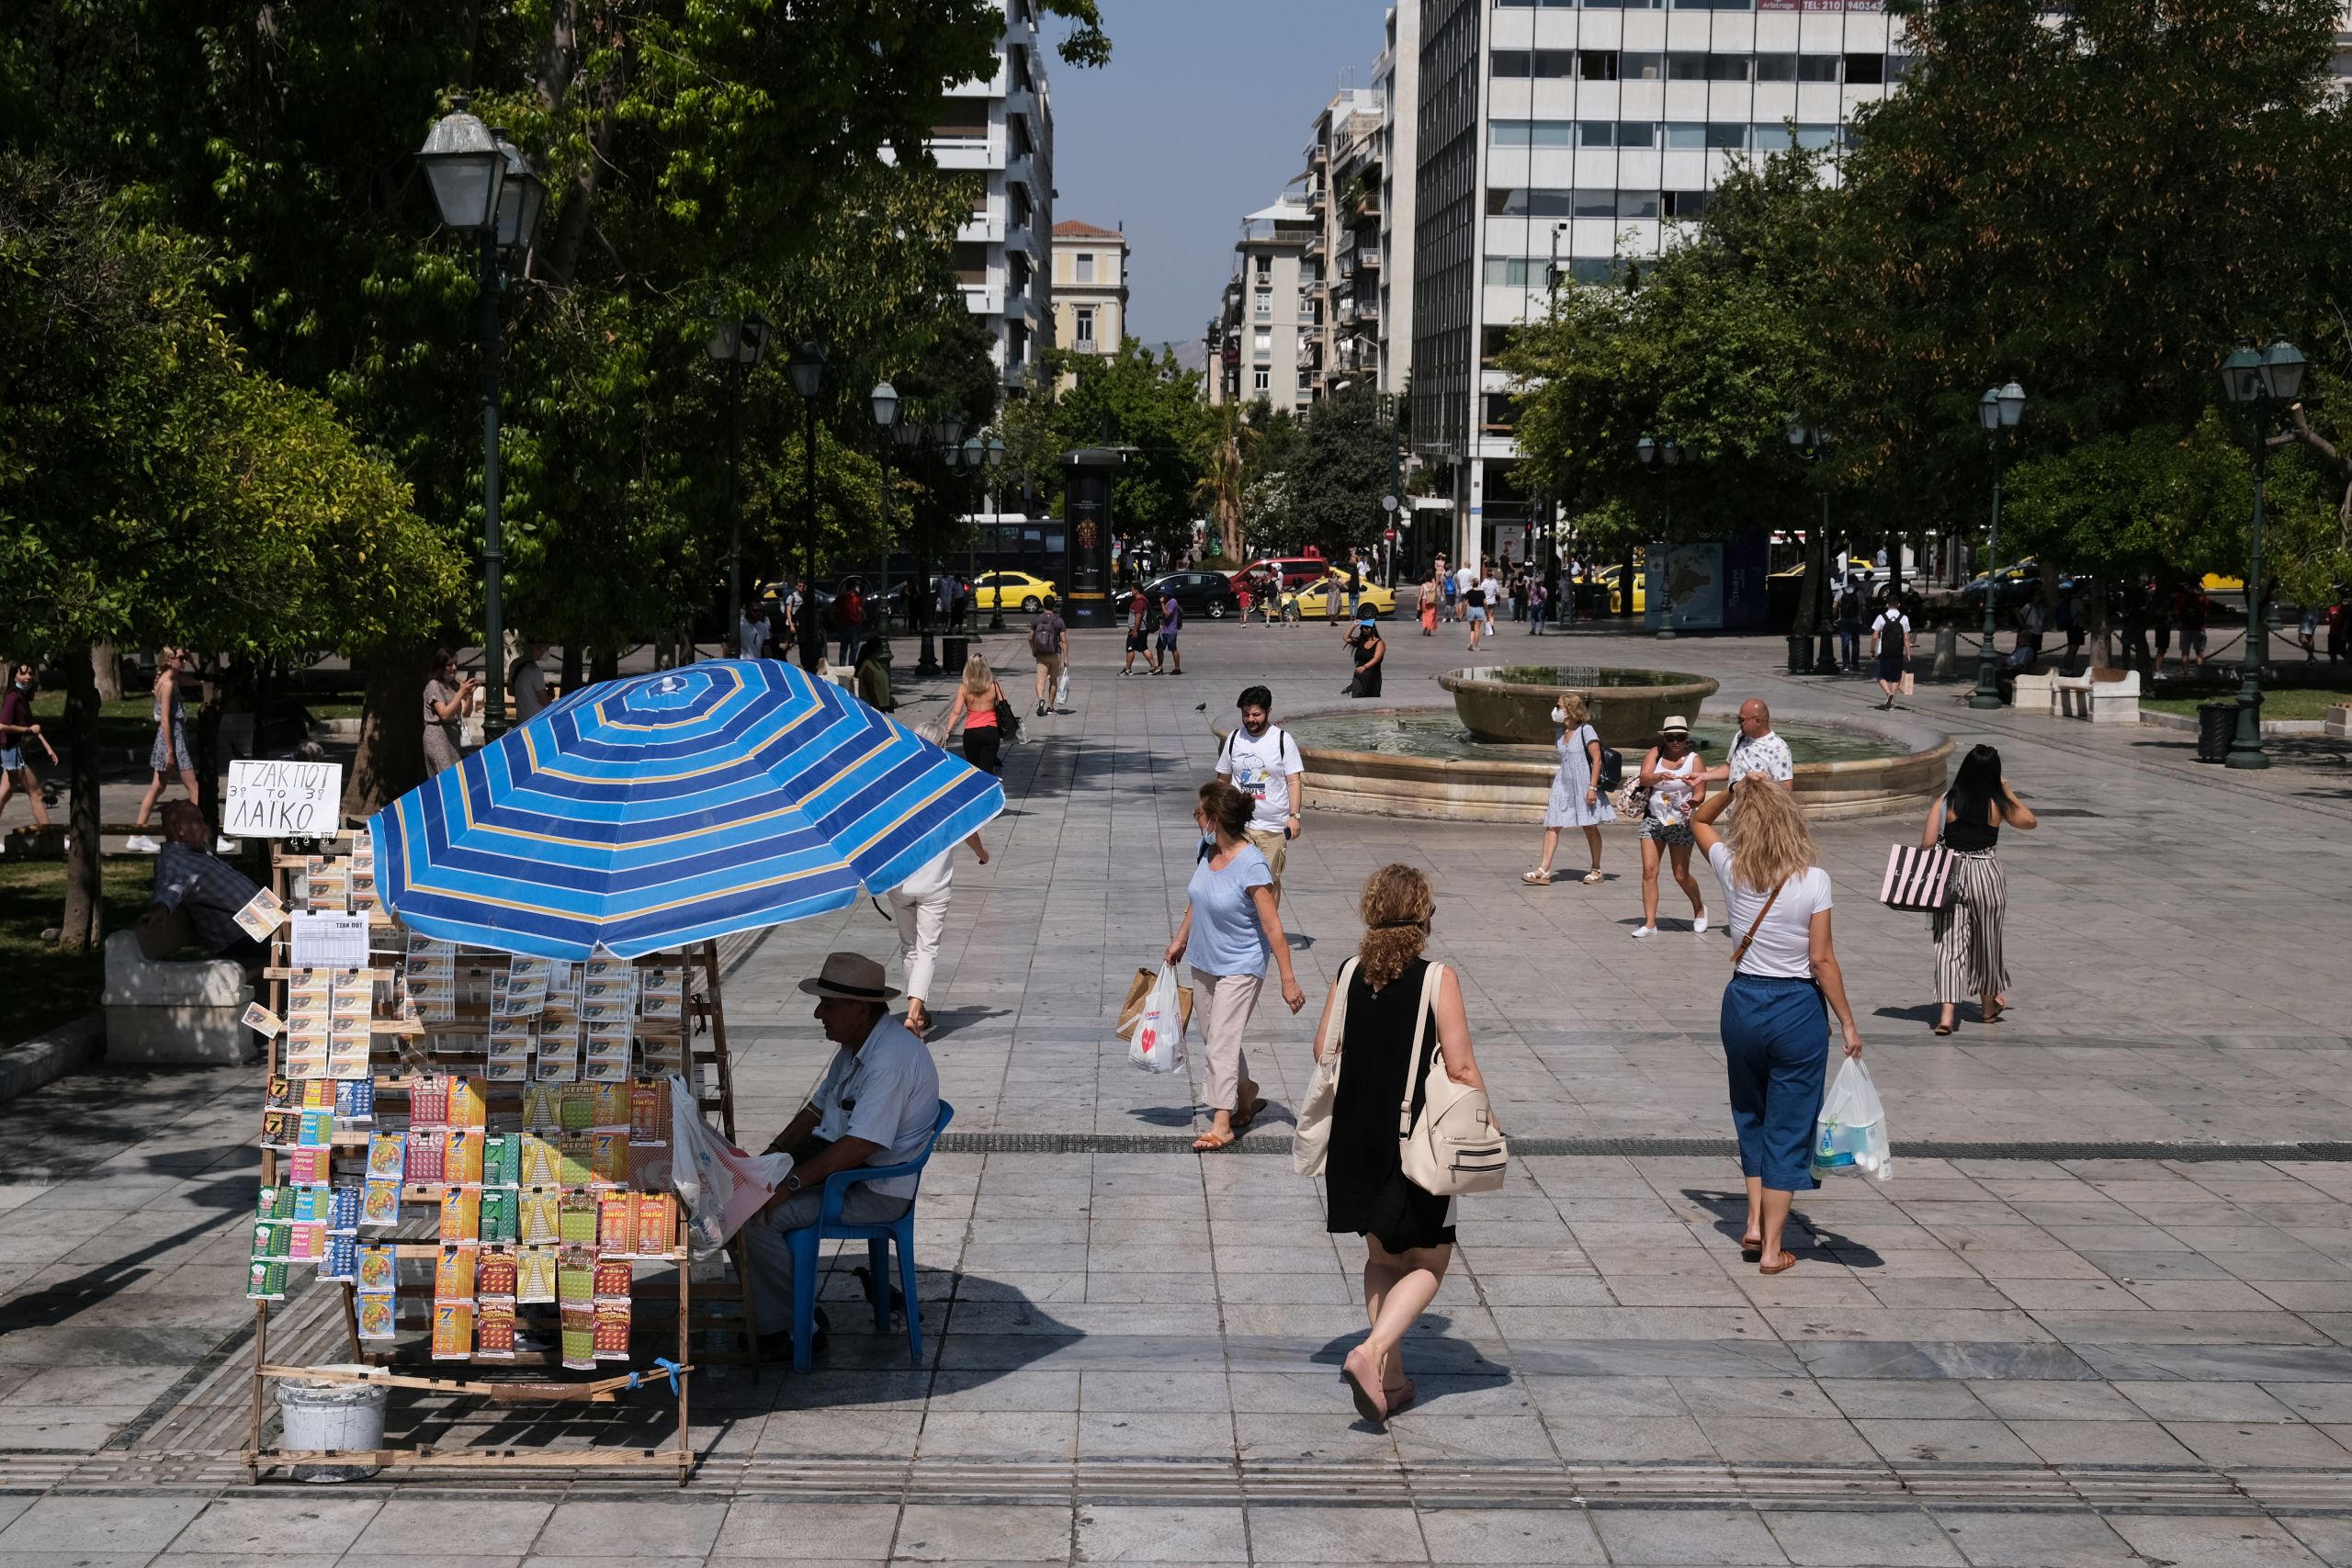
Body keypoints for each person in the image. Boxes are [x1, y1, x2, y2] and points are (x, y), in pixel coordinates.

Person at [1313, 863, 1496, 1426]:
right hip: (1411, 1139)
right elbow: (1461, 1066)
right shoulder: (1438, 978)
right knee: (1429, 1261)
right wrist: (1488, 1120)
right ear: (1424, 917)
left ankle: (1389, 1379)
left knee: (1380, 1257)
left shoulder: (1348, 971)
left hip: (1354, 1135)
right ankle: (1370, 1352)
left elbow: (1323, 1049)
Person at [1689, 778, 1866, 1277]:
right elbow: (1822, 960)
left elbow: (1697, 819)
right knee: (1788, 1127)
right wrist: (1848, 1023)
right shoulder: (1815, 881)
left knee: (1751, 1113)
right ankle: (1772, 1249)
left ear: (1745, 825)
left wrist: (1733, 788)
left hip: (1744, 1003)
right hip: (1797, 1010)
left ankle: (1751, 1223)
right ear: (1792, 822)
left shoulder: (1731, 868)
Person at [744, 952, 942, 1359]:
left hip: (872, 1189)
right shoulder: (857, 1046)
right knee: (743, 1198)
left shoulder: (889, 1061)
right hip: (845, 1171)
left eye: (829, 1005)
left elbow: (861, 1145)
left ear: (860, 1009)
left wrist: (790, 1184)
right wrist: (770, 1156)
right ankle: (788, 1308)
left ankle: (795, 1328)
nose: (819, 1014)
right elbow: (816, 1110)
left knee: (755, 1220)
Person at [1164, 780, 1305, 1153]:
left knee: (1222, 1042)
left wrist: (1288, 980)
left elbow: (1273, 927)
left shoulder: (1252, 864)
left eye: (1199, 813)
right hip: (1204, 960)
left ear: (1215, 819)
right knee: (1215, 1038)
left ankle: (1221, 1124)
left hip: (1242, 963)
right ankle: (1246, 1095)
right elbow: (1198, 898)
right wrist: (1180, 939)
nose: (1196, 818)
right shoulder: (1206, 849)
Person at [1924, 743, 2037, 1035]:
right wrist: (2007, 790)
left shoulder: (1947, 800)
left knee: (1948, 944)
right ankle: (1987, 1008)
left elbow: (1927, 843)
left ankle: (1946, 1015)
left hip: (1951, 875)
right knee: (1988, 942)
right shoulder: (1997, 804)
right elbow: (2030, 822)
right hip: (1986, 874)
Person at [887, 830, 988, 1038]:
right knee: (927, 949)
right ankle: (913, 1015)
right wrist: (982, 854)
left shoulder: (893, 808)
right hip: (934, 884)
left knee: (909, 947)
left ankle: (919, 1012)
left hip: (900, 883)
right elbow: (969, 832)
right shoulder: (943, 808)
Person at [144, 800, 266, 964]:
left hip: (263, 919)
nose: (204, 827)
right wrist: (161, 908)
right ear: (180, 829)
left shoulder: (196, 852)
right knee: (298, 944)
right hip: (243, 934)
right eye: (197, 821)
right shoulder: (174, 861)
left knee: (301, 920)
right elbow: (168, 889)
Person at [1215, 687, 1306, 902]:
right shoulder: (1234, 739)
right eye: (1246, 714)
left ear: (1268, 712)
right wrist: (1217, 812)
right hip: (1239, 826)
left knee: (1268, 883)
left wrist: (1294, 816)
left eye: (1256, 714)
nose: (1251, 720)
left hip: (1272, 828)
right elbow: (1222, 780)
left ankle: (1268, 923)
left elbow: (1294, 781)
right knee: (1237, 882)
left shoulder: (1282, 740)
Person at [1632, 716, 1707, 939]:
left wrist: (1691, 803)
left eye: (1680, 737)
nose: (1675, 742)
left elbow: (1701, 793)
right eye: (1671, 737)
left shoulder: (1694, 760)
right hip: (1654, 819)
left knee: (1681, 875)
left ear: (1686, 738)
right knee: (1649, 871)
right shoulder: (1656, 753)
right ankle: (1650, 923)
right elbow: (1643, 779)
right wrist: (1658, 776)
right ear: (1665, 738)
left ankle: (1699, 908)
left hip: (1681, 822)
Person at [1526, 691, 1612, 886]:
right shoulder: (1560, 732)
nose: (1555, 710)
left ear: (1570, 709)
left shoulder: (1586, 730)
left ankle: (1596, 869)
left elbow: (1597, 759)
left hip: (1584, 783)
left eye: (1559, 707)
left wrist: (1592, 788)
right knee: (1552, 824)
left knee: (1590, 826)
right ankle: (1544, 870)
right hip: (1563, 783)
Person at [126, 649, 205, 852]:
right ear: (169, 660)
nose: (184, 662)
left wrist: (193, 660)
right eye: (181, 658)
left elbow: (200, 679)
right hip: (173, 740)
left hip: (173, 738)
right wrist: (170, 750)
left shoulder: (170, 680)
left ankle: (137, 834)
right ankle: (201, 834)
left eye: (185, 658)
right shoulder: (168, 683)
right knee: (194, 789)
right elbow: (165, 720)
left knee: (158, 788)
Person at [0, 662, 58, 839]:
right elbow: (2, 725)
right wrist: (27, 730)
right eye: (23, 673)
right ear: (14, 676)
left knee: (4, 794)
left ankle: (50, 837)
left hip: (13, 751)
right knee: (37, 794)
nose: (28, 677)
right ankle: (51, 838)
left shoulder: (21, 696)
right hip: (14, 752)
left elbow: (34, 727)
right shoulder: (13, 697)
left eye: (30, 674)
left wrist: (48, 748)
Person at [1702, 700, 1794, 791]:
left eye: (1742, 720)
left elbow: (1786, 790)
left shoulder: (1779, 749)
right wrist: (1702, 776)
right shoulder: (1740, 736)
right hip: (1733, 800)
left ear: (1758, 720)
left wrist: (1763, 783)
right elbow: (1729, 768)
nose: (1739, 723)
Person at [943, 655, 1007, 774]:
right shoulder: (994, 686)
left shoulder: (964, 688)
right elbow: (1004, 706)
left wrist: (948, 731)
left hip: (971, 733)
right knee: (987, 771)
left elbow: (956, 712)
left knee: (974, 770)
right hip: (990, 732)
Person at [420, 648, 476, 778]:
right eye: (450, 664)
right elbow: (444, 714)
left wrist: (469, 695)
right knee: (447, 777)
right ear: (441, 666)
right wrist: (461, 693)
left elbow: (466, 712)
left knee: (456, 775)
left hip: (452, 736)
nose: (454, 668)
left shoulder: (453, 685)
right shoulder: (434, 685)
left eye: (456, 664)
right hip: (437, 736)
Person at [1870, 596, 1912, 708]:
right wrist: (1908, 653)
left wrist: (1872, 650)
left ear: (1887, 605)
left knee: (1880, 675)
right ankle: (1891, 703)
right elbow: (1906, 638)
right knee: (1896, 677)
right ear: (1899, 605)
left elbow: (1875, 636)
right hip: (1898, 651)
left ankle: (1889, 693)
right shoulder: (1904, 618)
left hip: (1883, 651)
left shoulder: (1881, 617)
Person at [1029, 594, 1068, 716]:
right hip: (1054, 654)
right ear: (1054, 605)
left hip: (1041, 654)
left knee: (1040, 680)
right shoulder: (1059, 621)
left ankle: (1041, 698)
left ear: (1043, 604)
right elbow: (1063, 641)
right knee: (1053, 680)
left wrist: (1033, 650)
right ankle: (1050, 707)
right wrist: (1065, 658)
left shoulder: (1036, 619)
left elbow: (1030, 637)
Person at [1347, 607, 1385, 698]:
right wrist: (1354, 625)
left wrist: (1364, 667)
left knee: (1372, 700)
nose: (1364, 630)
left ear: (1373, 629)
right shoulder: (1361, 641)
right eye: (1362, 628)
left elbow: (1376, 659)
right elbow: (1346, 637)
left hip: (1372, 676)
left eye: (1367, 628)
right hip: (1359, 676)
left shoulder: (1379, 643)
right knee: (1357, 697)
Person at [510, 642, 552, 724]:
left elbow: (510, 691)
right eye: (546, 649)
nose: (547, 652)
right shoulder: (535, 671)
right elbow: (544, 701)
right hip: (536, 719)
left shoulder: (514, 664)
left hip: (521, 718)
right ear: (537, 649)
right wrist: (550, 696)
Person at [1122, 588, 1159, 676]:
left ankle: (1127, 670)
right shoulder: (1144, 599)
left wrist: (1135, 630)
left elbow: (1138, 616)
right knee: (1143, 648)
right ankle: (1154, 667)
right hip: (1142, 629)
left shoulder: (1139, 602)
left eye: (1132, 590)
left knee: (1130, 648)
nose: (1131, 592)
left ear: (1136, 591)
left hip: (1137, 629)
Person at [854, 636, 895, 712]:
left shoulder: (876, 663)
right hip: (872, 706)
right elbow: (870, 688)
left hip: (881, 705)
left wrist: (889, 700)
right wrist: (876, 706)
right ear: (877, 649)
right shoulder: (867, 665)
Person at [1835, 578, 1863, 673]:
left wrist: (1834, 618)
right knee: (1855, 642)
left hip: (1843, 620)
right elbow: (1863, 607)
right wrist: (1865, 620)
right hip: (1856, 621)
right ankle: (1855, 664)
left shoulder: (1841, 591)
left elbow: (1834, 606)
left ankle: (1846, 664)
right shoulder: (1859, 592)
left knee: (1845, 642)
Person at [1157, 588, 1184, 676]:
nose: (1161, 595)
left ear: (1167, 594)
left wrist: (1162, 604)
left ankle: (1177, 668)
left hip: (1171, 631)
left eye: (1162, 594)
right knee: (1159, 648)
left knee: (1173, 648)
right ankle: (1160, 667)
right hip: (1164, 630)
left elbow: (1167, 614)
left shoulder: (1173, 602)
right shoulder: (1167, 602)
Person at [738, 594, 771, 660]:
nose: (758, 613)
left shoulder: (763, 627)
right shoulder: (740, 625)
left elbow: (766, 647)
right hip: (742, 662)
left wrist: (770, 662)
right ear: (749, 610)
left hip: (756, 661)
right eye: (755, 611)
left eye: (761, 611)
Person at [1464, 571, 1488, 652]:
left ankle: (1471, 642)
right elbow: (1485, 603)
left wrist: (1464, 611)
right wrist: (1486, 611)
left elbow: (1466, 603)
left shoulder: (1469, 592)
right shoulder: (1482, 592)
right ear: (1478, 584)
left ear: (1472, 584)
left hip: (1471, 609)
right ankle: (1475, 646)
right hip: (1479, 610)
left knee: (1472, 628)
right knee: (1477, 629)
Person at [1419, 573, 1439, 637]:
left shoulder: (1423, 585)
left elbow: (1420, 595)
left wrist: (1418, 603)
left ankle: (1425, 628)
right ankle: (1429, 629)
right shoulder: (1434, 585)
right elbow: (1436, 594)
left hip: (1425, 602)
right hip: (1432, 602)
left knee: (1425, 615)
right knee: (1431, 616)